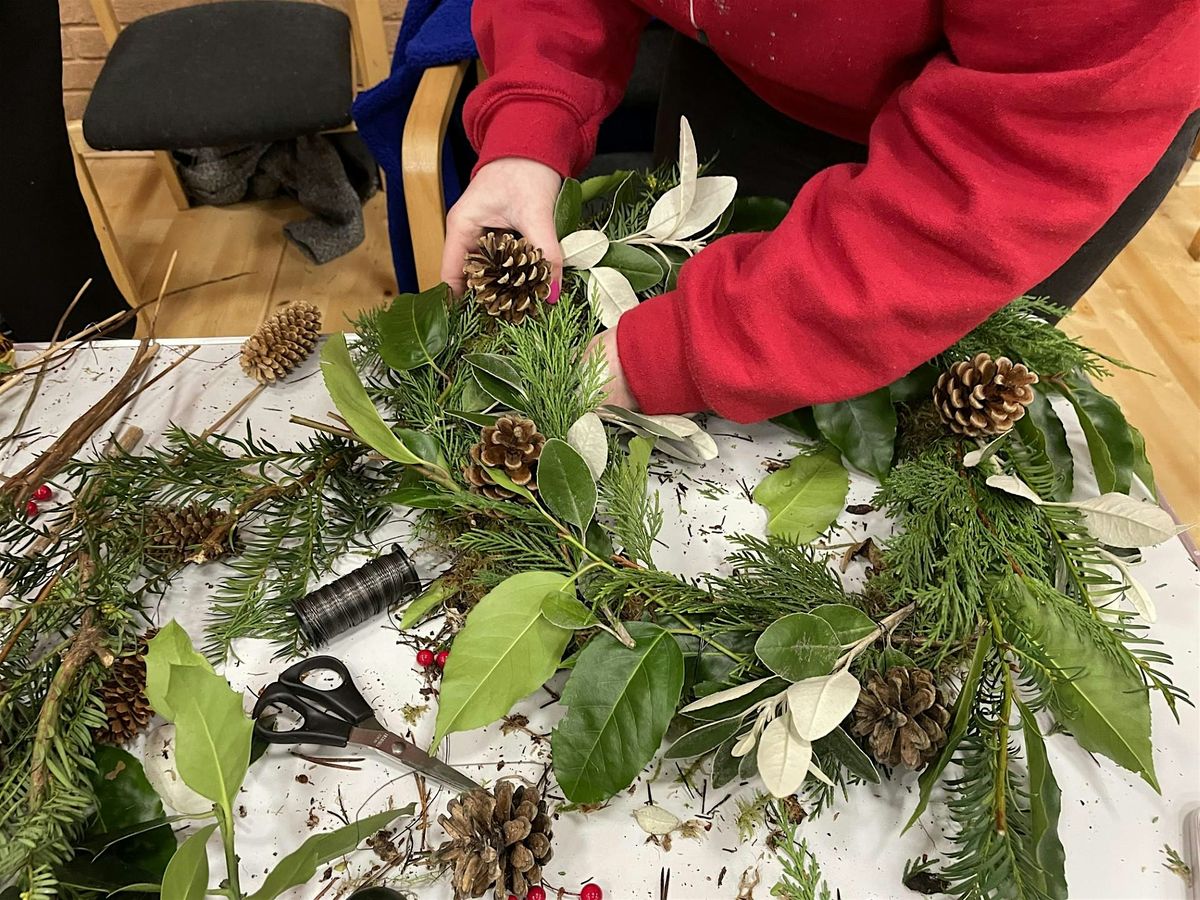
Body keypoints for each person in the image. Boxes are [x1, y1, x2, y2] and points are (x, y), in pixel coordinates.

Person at [440, 1, 1200, 423]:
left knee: (919, 428)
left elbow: (1003, 168)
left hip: (1040, 120)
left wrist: (679, 353)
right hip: (746, 59)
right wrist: (530, 121)